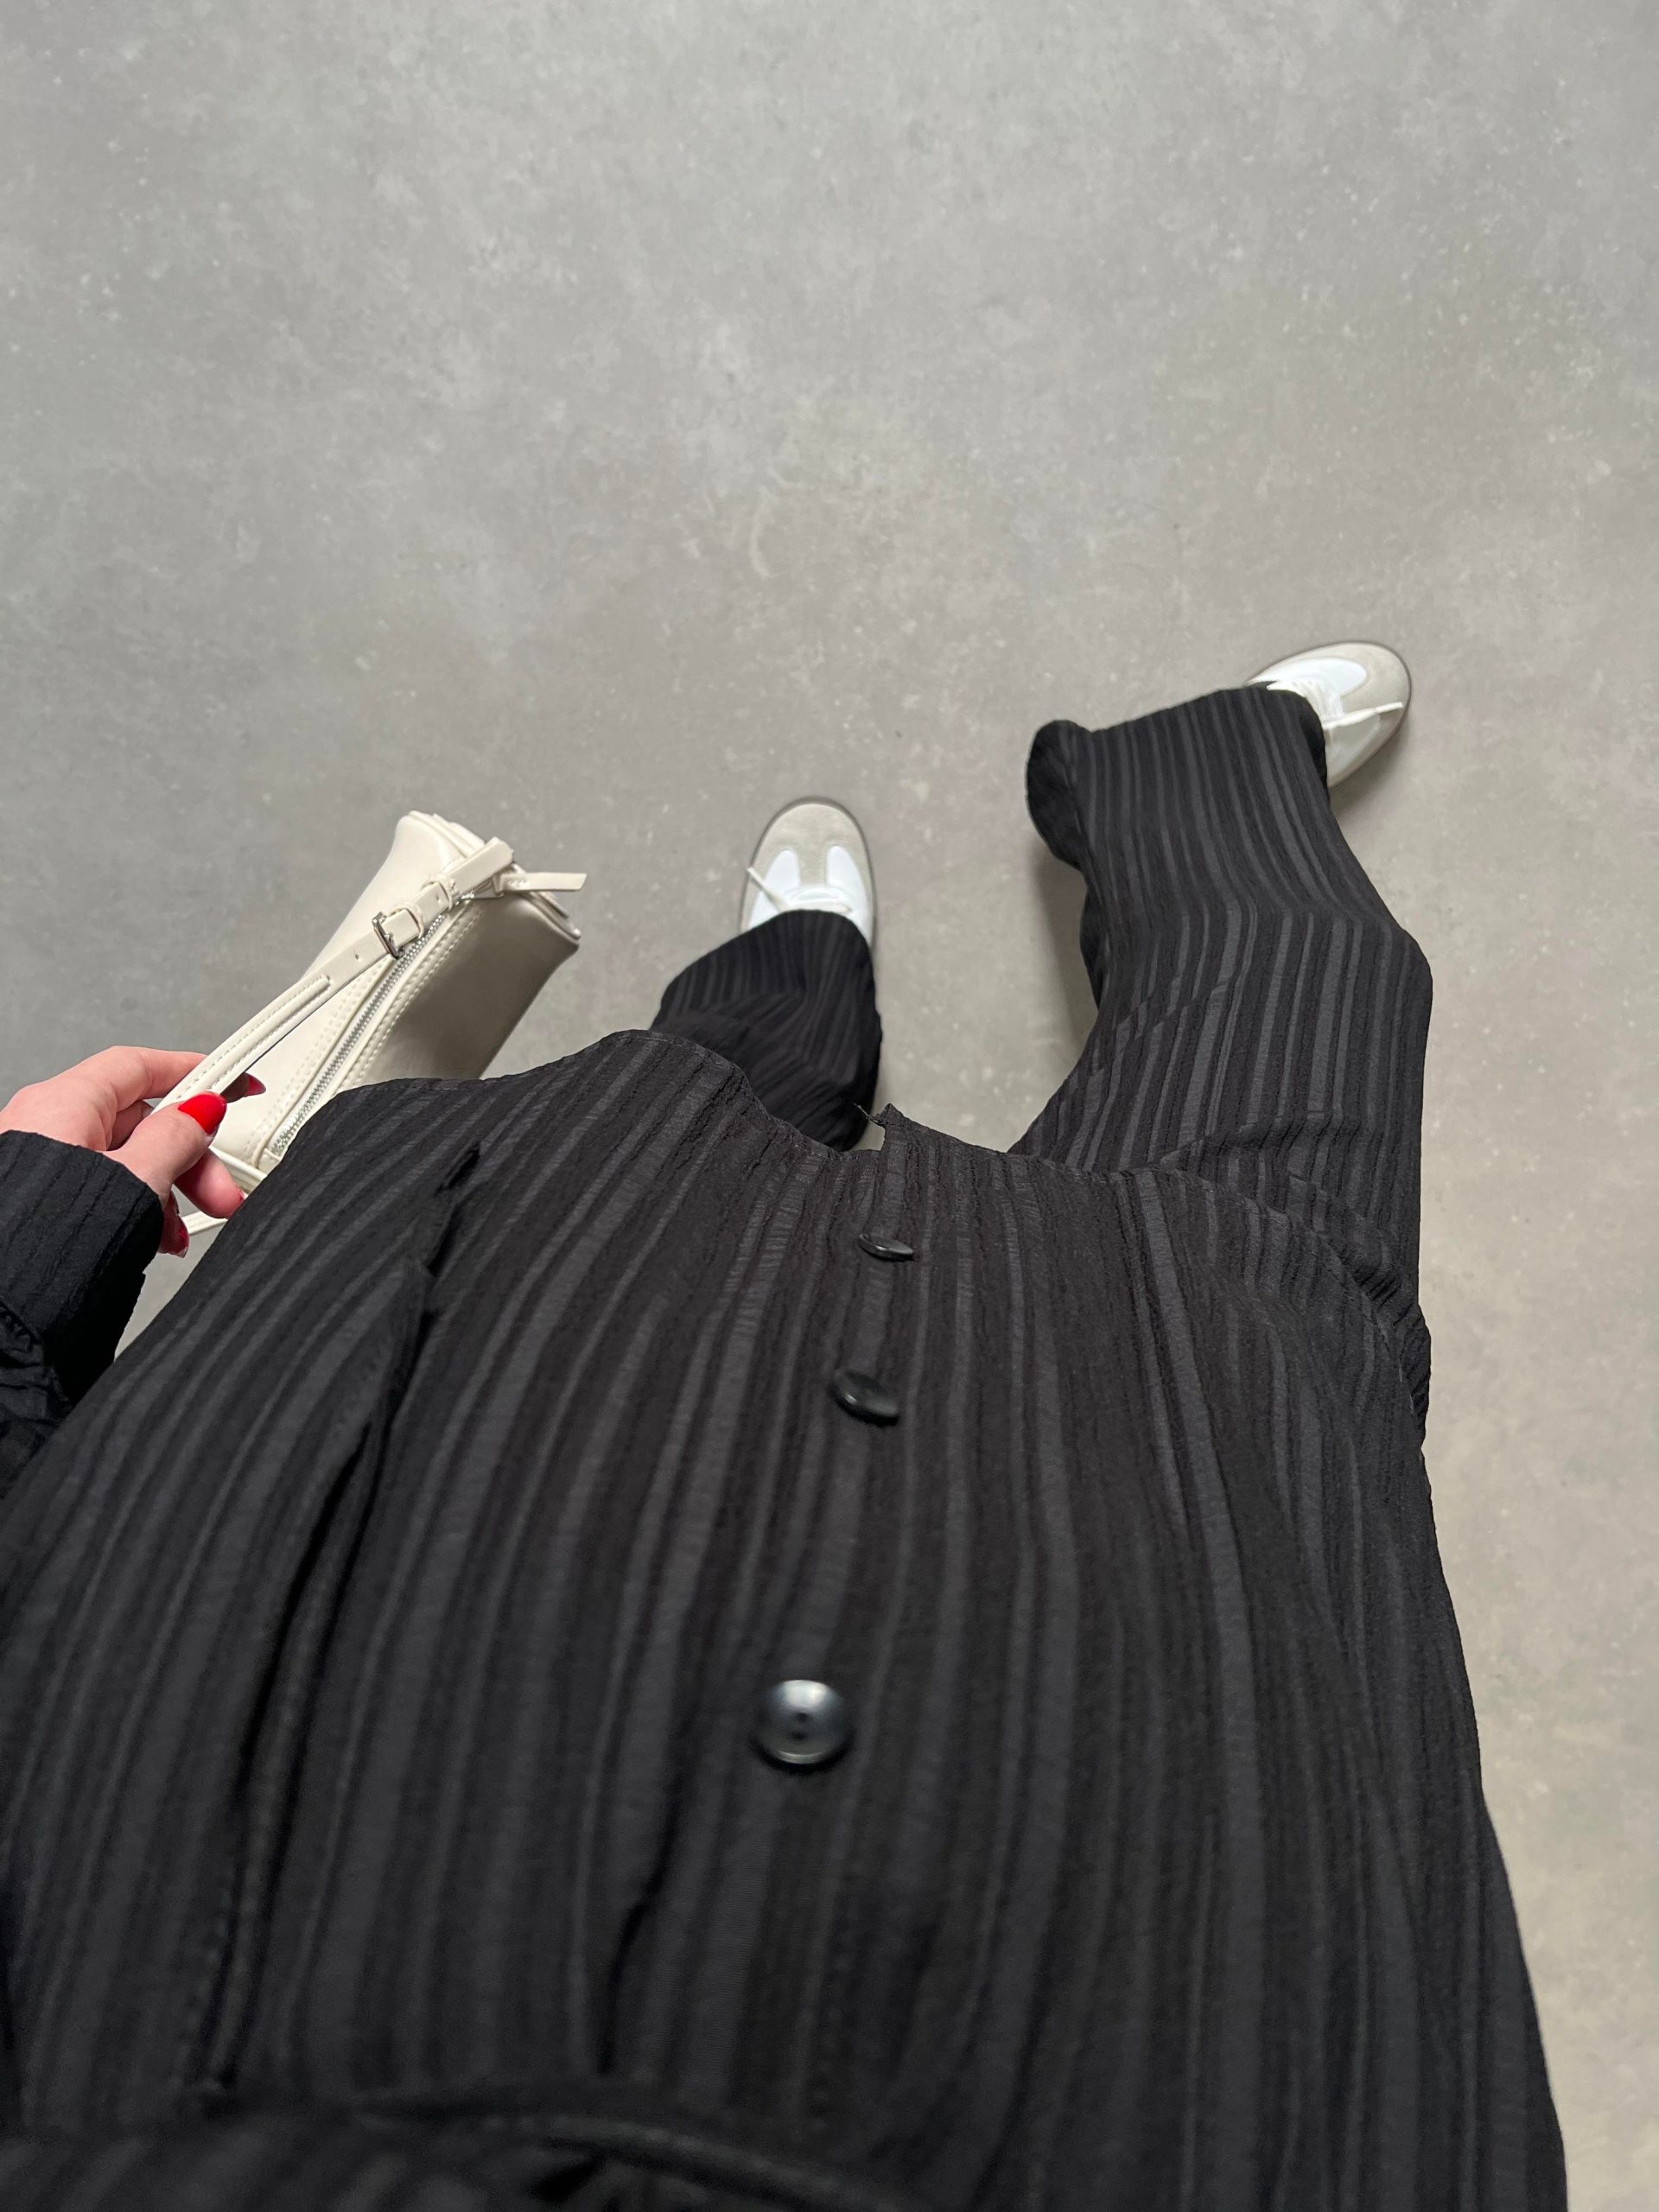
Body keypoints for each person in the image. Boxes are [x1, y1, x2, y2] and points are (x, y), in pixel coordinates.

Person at [0, 649, 1565, 2210]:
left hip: (411, 1500)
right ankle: (1204, 766)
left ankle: (797, 964)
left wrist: (25, 1259)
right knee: (1304, 1004)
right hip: (1222, 1730)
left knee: (683, 1096)